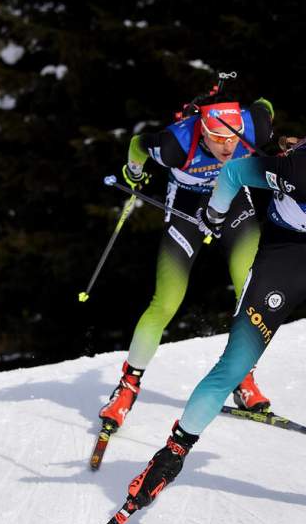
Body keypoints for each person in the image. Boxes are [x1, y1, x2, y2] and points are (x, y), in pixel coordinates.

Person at [119, 114, 306, 515]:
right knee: (234, 365)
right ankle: (169, 458)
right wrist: (215, 214)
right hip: (283, 264)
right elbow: (237, 170)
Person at [98, 98, 276, 434]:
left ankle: (242, 376)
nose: (228, 146)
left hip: (234, 199)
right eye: (218, 138)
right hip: (187, 206)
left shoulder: (255, 127)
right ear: (203, 132)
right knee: (165, 301)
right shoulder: (174, 144)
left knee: (250, 291)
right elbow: (138, 144)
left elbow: (264, 105)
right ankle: (127, 387)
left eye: (234, 138)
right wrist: (133, 172)